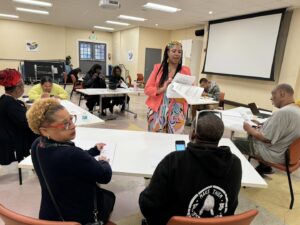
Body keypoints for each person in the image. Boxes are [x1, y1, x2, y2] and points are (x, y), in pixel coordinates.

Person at [139, 111, 242, 225]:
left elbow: (148, 205)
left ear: (193, 133)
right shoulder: (235, 163)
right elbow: (231, 206)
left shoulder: (173, 161)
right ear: (220, 136)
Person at [26, 98, 115, 224]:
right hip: (78, 216)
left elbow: (72, 160)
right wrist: (103, 161)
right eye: (65, 124)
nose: (73, 126)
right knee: (109, 196)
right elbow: (105, 176)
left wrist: (93, 150)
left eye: (71, 119)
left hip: (50, 212)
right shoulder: (71, 155)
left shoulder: (37, 145)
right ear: (44, 130)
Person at [233, 84, 300, 174]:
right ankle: (264, 167)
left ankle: (235, 174)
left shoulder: (283, 112)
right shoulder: (296, 109)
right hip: (288, 155)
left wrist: (249, 129)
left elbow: (266, 139)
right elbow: (284, 132)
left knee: (232, 143)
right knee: (252, 136)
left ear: (282, 94)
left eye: (273, 95)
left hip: (273, 154)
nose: (271, 98)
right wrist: (264, 126)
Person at [144, 41, 191, 134]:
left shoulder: (186, 70)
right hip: (158, 110)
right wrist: (163, 89)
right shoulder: (158, 68)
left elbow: (190, 89)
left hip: (178, 112)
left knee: (174, 140)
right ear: (168, 53)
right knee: (155, 139)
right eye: (174, 51)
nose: (177, 54)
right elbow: (147, 89)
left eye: (179, 52)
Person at [0, 69, 37, 165]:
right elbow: (27, 122)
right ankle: (38, 159)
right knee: (40, 132)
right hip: (13, 136)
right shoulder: (10, 104)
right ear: (18, 88)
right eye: (23, 86)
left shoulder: (5, 99)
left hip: (8, 131)